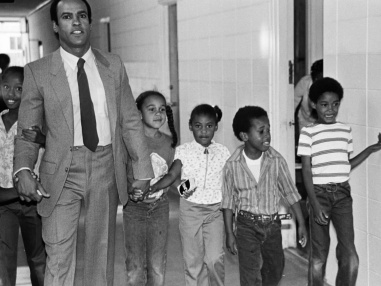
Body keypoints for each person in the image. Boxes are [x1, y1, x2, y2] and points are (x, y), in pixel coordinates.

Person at [12, 0, 154, 285]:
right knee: (58, 254)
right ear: (55, 25)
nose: (75, 22)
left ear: (89, 22)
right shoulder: (37, 71)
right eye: (66, 17)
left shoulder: (112, 66)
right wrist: (23, 170)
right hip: (60, 170)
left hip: (105, 165)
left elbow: (129, 120)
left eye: (81, 16)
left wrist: (142, 169)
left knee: (100, 254)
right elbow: (27, 131)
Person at [297, 77, 381, 286]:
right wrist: (315, 203)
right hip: (318, 194)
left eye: (335, 104)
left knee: (350, 254)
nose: (330, 110)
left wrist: (369, 150)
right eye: (324, 104)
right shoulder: (308, 133)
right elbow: (307, 171)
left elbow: (344, 164)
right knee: (319, 255)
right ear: (313, 104)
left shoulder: (345, 131)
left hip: (342, 196)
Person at [221, 105, 308, 286]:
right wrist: (229, 233)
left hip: (272, 225)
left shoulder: (276, 160)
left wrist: (301, 223)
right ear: (245, 136)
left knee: (275, 268)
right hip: (246, 225)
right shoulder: (232, 165)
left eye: (268, 129)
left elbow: (291, 192)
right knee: (249, 273)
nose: (267, 135)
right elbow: (228, 201)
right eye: (261, 131)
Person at [148, 104, 230, 286]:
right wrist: (155, 186)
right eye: (198, 126)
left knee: (214, 258)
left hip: (215, 211)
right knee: (193, 262)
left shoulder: (223, 152)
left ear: (216, 126)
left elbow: (231, 181)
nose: (204, 131)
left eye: (209, 126)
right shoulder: (183, 151)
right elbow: (171, 175)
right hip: (190, 211)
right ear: (190, 126)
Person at [123, 91, 178, 286]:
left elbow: (173, 175)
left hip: (159, 208)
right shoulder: (129, 141)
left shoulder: (169, 143)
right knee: (135, 265)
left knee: (156, 265)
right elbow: (121, 171)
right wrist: (129, 189)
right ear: (138, 113)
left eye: (162, 109)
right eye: (151, 109)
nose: (158, 114)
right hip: (134, 209)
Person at [0, 67, 46, 286]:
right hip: (4, 203)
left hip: (32, 203)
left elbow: (62, 148)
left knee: (38, 260)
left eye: (19, 88)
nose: (12, 94)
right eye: (6, 87)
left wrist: (43, 138)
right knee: (4, 260)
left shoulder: (38, 123)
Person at [294, 59, 323, 143]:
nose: (318, 81)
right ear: (312, 76)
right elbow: (293, 103)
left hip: (322, 123)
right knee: (305, 147)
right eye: (316, 78)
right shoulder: (304, 82)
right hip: (305, 121)